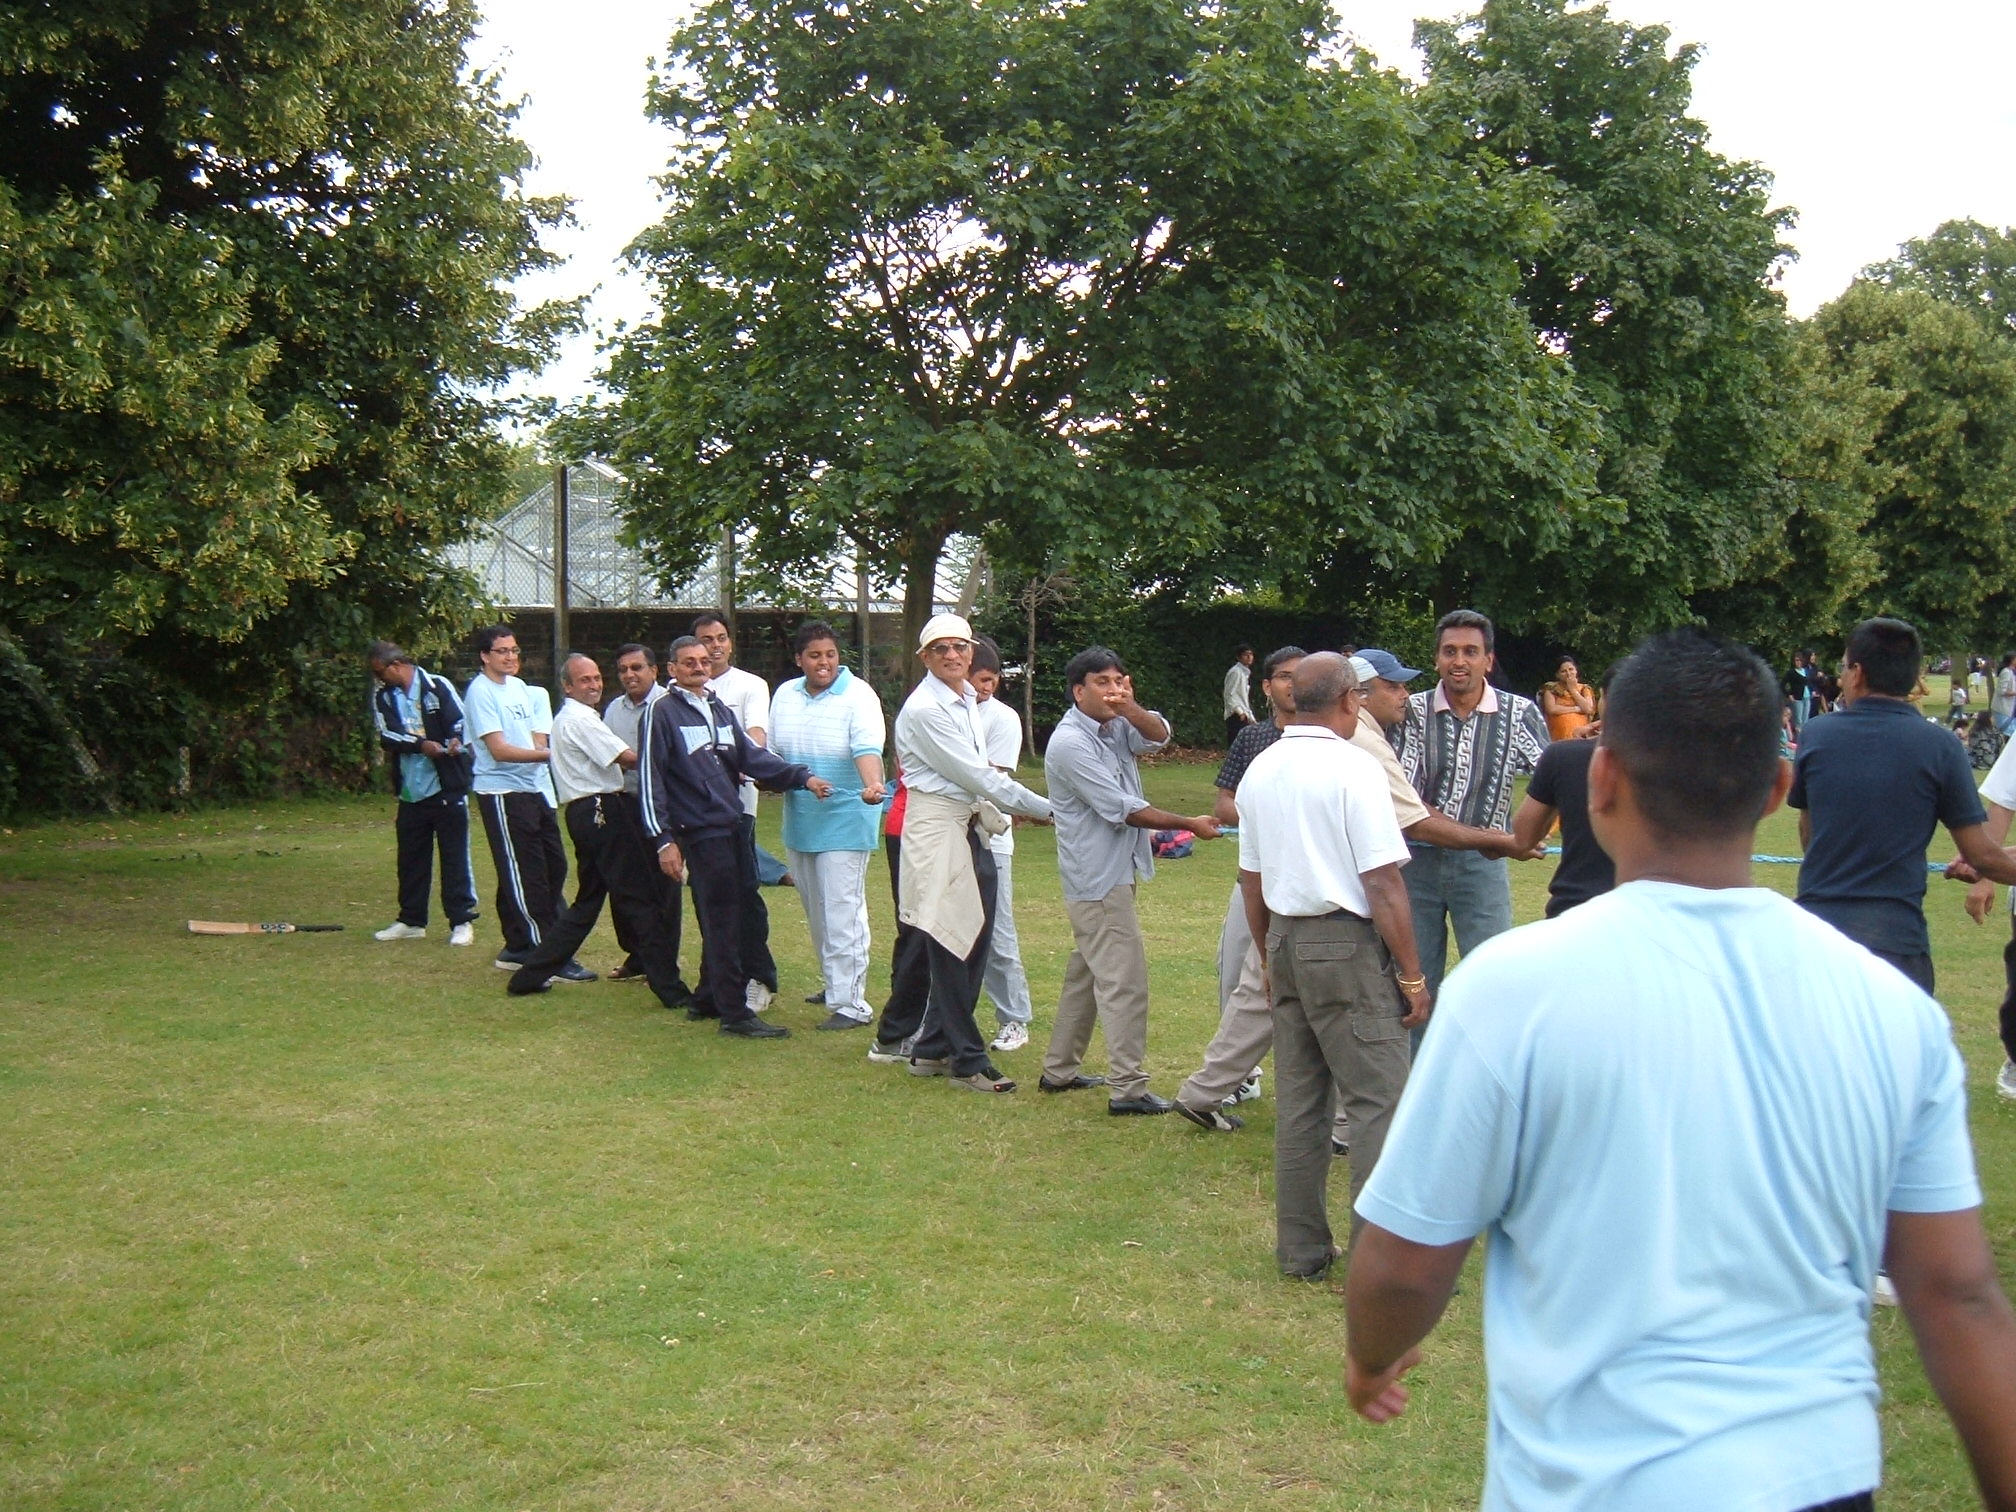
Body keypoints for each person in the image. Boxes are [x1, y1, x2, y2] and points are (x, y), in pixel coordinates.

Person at [1346, 628, 2016, 1512]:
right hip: (1819, 1477)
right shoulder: (1894, 1010)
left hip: (1593, 1483)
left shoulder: (1511, 990)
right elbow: (1959, 1296)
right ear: (1779, 789)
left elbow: (1402, 1265)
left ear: (1604, 778)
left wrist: (1371, 1357)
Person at [1236, 653, 1428, 1280]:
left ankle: (1301, 1250)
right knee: (1379, 1099)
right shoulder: (1355, 768)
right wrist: (1411, 974)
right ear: (1350, 700)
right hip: (1343, 942)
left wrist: (1268, 957)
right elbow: (1383, 881)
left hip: (1287, 939)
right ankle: (1381, 1261)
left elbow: (1251, 877)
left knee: (1301, 1102)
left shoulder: (1262, 767)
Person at [1791, 617, 2016, 996]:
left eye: (1844, 667)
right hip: (1896, 942)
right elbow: (1982, 857)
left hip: (1820, 935)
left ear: (1857, 673)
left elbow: (1808, 832)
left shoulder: (1816, 735)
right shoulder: (1940, 746)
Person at [876, 614, 1053, 1093]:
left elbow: (980, 782)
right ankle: (966, 1060)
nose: (951, 655)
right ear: (924, 658)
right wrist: (1049, 809)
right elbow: (979, 776)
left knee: (974, 938)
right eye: (940, 649)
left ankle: (932, 1048)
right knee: (954, 942)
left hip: (969, 825)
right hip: (937, 828)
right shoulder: (925, 710)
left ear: (971, 652)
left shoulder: (966, 699)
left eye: (959, 646)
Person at [1040, 646, 1219, 1115]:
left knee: (1088, 971)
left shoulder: (1117, 723)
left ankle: (1059, 1070)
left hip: (1114, 872)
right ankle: (1129, 1089)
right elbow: (1124, 808)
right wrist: (1188, 822)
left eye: (1120, 680)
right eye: (1102, 682)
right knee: (1124, 980)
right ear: (1078, 691)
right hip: (1097, 879)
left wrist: (1130, 706)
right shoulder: (1069, 743)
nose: (1114, 690)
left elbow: (1158, 736)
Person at [639, 636, 834, 1039]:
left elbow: (750, 757)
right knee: (723, 918)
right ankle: (735, 1014)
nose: (698, 666)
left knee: (735, 911)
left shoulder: (717, 709)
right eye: (687, 661)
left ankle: (710, 996)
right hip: (700, 832)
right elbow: (649, 779)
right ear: (671, 669)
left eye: (702, 661)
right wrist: (663, 840)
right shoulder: (662, 713)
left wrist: (802, 777)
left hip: (732, 824)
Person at [505, 655, 690, 1011]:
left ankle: (528, 976)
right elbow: (627, 758)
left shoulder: (577, 718)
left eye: (596, 678)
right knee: (640, 899)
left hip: (585, 812)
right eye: (584, 680)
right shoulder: (579, 719)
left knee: (587, 903)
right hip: (602, 811)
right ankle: (671, 989)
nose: (594, 685)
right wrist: (678, 756)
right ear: (568, 686)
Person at [1174, 644, 1307, 1128]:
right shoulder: (1253, 739)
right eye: (1284, 677)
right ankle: (1240, 1074)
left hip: (1306, 888)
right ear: (1266, 686)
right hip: (1254, 876)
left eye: (1302, 675)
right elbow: (1225, 805)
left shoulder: (1334, 738)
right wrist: (1267, 808)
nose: (1293, 685)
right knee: (1236, 974)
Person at [1391, 609, 1549, 1000]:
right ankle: (1419, 1063)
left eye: (1470, 652)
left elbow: (1551, 777)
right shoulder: (1412, 711)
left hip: (1483, 869)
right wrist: (1495, 838)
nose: (1459, 661)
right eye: (1449, 651)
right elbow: (1406, 802)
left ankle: (1487, 1062)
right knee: (1414, 985)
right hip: (1415, 862)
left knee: (1493, 980)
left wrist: (1529, 831)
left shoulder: (1519, 713)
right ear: (1436, 659)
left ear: (1488, 660)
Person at [767, 620, 888, 1032]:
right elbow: (772, 753)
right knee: (816, 909)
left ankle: (853, 1004)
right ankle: (834, 985)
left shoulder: (859, 696)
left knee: (842, 910)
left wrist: (873, 784)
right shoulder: (785, 694)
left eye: (831, 655)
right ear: (799, 659)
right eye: (815, 655)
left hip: (847, 816)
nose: (824, 663)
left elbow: (867, 749)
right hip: (801, 818)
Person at [463, 625, 591, 979]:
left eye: (514, 650)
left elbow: (536, 740)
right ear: (485, 656)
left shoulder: (519, 688)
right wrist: (551, 755)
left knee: (553, 867)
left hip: (534, 790)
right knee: (527, 875)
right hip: (503, 792)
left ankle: (518, 946)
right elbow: (499, 750)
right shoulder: (481, 693)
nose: (510, 657)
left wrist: (545, 753)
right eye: (502, 651)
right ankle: (547, 955)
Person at [692, 612, 779, 1014]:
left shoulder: (749, 686)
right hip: (696, 814)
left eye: (721, 638)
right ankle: (715, 983)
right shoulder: (677, 693)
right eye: (706, 639)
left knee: (744, 892)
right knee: (711, 898)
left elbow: (755, 739)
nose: (714, 646)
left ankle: (759, 977)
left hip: (738, 807)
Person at [367, 641, 478, 947]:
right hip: (411, 790)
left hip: (446, 787)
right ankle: (411, 920)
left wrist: (454, 741)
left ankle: (461, 920)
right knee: (411, 858)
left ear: (395, 665)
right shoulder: (384, 696)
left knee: (455, 856)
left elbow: (461, 721)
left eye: (380, 672)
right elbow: (386, 736)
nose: (379, 679)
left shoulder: (436, 686)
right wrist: (421, 745)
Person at [600, 642, 686, 992]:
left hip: (662, 806)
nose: (630, 675)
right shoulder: (613, 710)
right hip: (623, 803)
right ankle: (636, 956)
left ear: (655, 670)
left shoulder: (670, 706)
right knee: (625, 886)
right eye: (623, 669)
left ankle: (664, 961)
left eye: (637, 667)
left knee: (665, 885)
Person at [1506, 663, 1618, 918]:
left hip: (1576, 906)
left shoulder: (1562, 757)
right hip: (1651, 915)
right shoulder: (1674, 765)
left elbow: (1523, 837)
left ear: (1602, 699)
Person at [969, 637, 1037, 1053]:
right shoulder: (944, 710)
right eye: (979, 679)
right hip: (948, 836)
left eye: (992, 680)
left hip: (991, 838)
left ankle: (1014, 1019)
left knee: (997, 931)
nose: (985, 688)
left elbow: (993, 780)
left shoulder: (1002, 718)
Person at [1537, 655, 1596, 741]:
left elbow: (1588, 709)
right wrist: (1577, 709)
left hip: (1581, 738)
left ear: (1576, 670)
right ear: (1557, 675)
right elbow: (1552, 709)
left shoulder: (1584, 689)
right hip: (1558, 737)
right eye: (1563, 671)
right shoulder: (1551, 689)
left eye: (1571, 669)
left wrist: (1573, 690)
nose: (1568, 674)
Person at [1222, 643, 1256, 748]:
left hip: (1244, 714)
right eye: (1246, 655)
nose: (1249, 657)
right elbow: (1229, 694)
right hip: (1236, 715)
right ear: (1239, 657)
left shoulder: (1244, 673)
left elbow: (1243, 697)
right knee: (1236, 746)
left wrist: (1250, 716)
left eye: (1251, 654)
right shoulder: (1235, 672)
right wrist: (1240, 712)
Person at [1997, 653, 2016, 738]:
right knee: (2008, 731)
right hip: (2006, 706)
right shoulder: (2006, 672)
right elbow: (2002, 691)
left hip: (2012, 705)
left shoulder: (2012, 671)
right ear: (2011, 660)